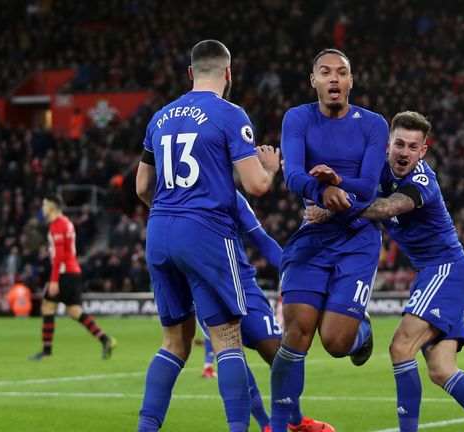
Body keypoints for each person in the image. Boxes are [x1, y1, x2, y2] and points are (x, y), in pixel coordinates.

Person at [306, 111, 464, 432]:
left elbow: (389, 208)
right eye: (399, 144)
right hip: (434, 273)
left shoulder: (423, 180)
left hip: (447, 270)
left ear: (423, 151)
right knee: (441, 369)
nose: (404, 153)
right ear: (388, 145)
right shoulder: (376, 172)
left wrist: (332, 207)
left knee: (400, 348)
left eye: (413, 147)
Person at [135, 39, 280, 432]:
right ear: (228, 73)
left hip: (159, 228)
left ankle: (146, 428)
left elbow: (142, 186)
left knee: (175, 344)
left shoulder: (160, 117)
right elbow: (256, 186)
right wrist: (271, 166)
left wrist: (172, 206)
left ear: (190, 73)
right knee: (227, 337)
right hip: (204, 232)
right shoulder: (230, 114)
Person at [269, 48, 389, 432]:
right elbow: (293, 175)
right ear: (314, 81)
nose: (334, 79)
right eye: (326, 72)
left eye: (342, 73)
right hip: (313, 237)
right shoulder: (297, 118)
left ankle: (361, 331)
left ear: (351, 81)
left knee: (336, 343)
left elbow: (369, 187)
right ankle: (284, 424)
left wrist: (334, 186)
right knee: (295, 333)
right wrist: (321, 192)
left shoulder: (373, 124)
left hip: (357, 239)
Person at [199, 191, 334, 432]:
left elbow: (260, 239)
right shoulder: (177, 196)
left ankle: (296, 421)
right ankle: (266, 425)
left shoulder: (231, 196)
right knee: (233, 359)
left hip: (244, 285)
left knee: (279, 354)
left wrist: (290, 271)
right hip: (203, 290)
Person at [29, 194, 117, 361]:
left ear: (52, 207)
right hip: (73, 271)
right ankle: (105, 339)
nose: (42, 208)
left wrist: (54, 280)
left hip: (64, 273)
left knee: (47, 307)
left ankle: (47, 352)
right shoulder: (67, 223)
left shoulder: (57, 225)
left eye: (44, 204)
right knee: (74, 310)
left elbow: (60, 255)